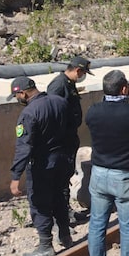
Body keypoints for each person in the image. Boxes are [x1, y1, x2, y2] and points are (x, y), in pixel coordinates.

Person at [86, 70, 129, 256]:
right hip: (125, 176)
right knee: (128, 228)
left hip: (98, 173)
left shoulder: (92, 110)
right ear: (124, 89)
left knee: (97, 225)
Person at [7, 76, 72, 256]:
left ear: (23, 93)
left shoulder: (29, 113)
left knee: (40, 203)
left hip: (42, 164)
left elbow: (24, 147)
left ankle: (45, 245)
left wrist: (15, 176)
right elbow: (71, 129)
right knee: (59, 197)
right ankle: (65, 236)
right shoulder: (60, 102)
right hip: (62, 159)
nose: (17, 99)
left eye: (17, 95)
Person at [46, 55, 93, 225]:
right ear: (78, 70)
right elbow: (51, 113)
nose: (82, 76)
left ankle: (66, 211)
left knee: (65, 177)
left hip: (68, 139)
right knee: (59, 181)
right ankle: (61, 218)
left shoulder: (68, 84)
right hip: (61, 141)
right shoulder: (58, 85)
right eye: (83, 73)